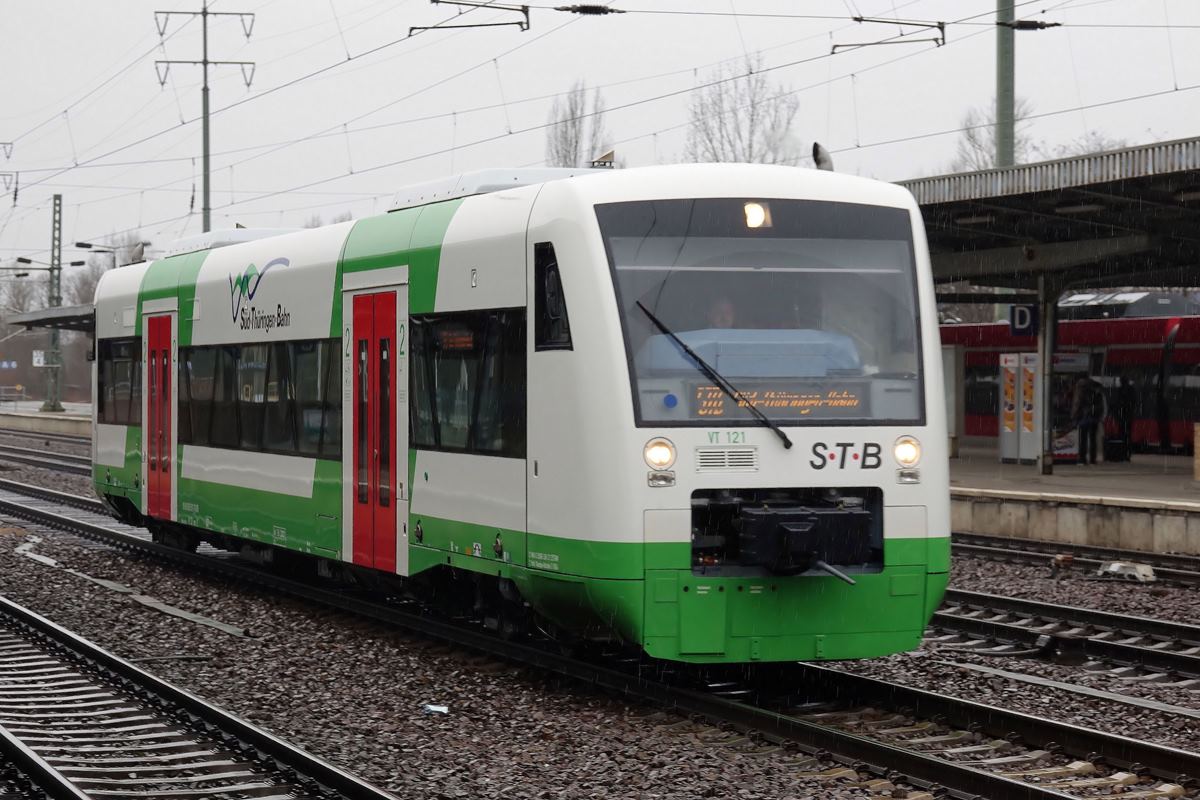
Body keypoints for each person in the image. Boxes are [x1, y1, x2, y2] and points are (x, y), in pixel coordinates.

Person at [1070, 375, 1106, 465]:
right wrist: (1099, 415)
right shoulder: (1096, 388)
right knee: (1093, 439)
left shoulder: (1081, 388)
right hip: (1094, 417)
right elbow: (1101, 404)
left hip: (1084, 417)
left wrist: (1074, 416)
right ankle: (1093, 459)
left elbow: (1077, 404)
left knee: (1083, 439)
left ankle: (1082, 459)